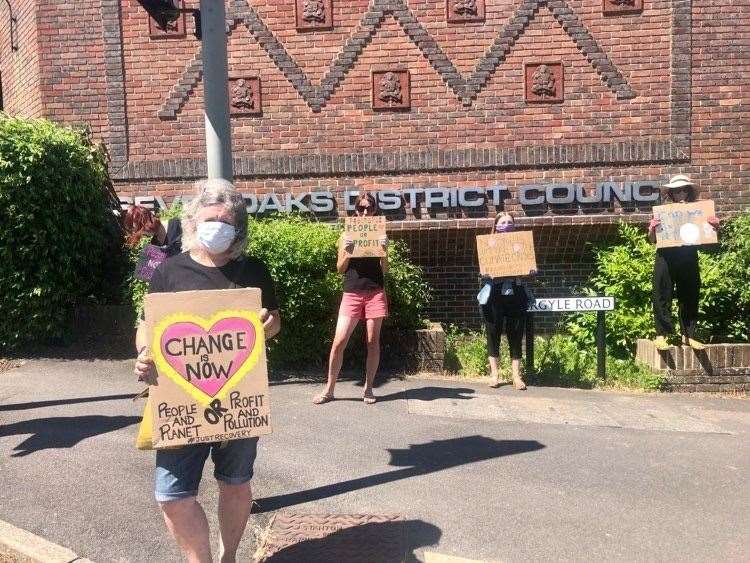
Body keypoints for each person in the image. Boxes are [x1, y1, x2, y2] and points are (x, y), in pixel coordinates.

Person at [133, 179, 281, 563]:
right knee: (172, 494)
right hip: (178, 397)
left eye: (226, 220)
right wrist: (144, 352)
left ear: (239, 228)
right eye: (210, 217)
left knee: (235, 483)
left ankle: (228, 555)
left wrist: (268, 325)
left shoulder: (254, 271)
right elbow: (146, 324)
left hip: (238, 396)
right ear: (192, 221)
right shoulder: (166, 270)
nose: (218, 225)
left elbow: (274, 321)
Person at [313, 193, 389, 405]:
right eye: (362, 208)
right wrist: (347, 252)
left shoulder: (379, 233)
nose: (366, 212)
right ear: (355, 210)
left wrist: (385, 251)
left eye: (370, 208)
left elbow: (386, 269)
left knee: (373, 342)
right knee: (338, 342)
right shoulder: (347, 234)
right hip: (352, 292)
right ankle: (329, 390)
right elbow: (340, 269)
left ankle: (369, 388)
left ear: (375, 210)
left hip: (375, 292)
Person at [648, 175, 719, 351]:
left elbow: (709, 238)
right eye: (676, 190)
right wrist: (651, 229)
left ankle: (688, 335)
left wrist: (715, 227)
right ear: (671, 193)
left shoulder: (700, 211)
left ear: (689, 192)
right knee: (661, 293)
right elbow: (651, 240)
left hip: (688, 256)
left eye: (684, 190)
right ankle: (661, 335)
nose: (680, 193)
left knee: (690, 294)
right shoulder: (663, 211)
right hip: (665, 256)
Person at [478, 212, 533, 390]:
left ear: (514, 225)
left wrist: (530, 270)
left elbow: (529, 268)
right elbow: (482, 270)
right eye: (503, 222)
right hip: (494, 294)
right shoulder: (488, 245)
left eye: (510, 222)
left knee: (516, 334)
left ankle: (516, 376)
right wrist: (485, 271)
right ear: (496, 225)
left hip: (516, 292)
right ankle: (495, 375)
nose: (507, 225)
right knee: (493, 333)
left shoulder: (522, 244)